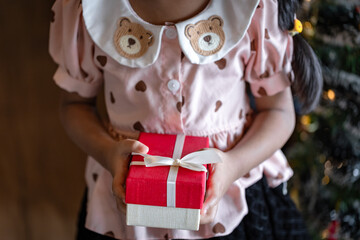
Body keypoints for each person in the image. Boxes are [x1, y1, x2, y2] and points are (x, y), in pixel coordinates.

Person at [49, 0, 322, 239]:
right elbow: (74, 104)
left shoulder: (254, 9)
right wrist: (108, 153)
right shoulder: (90, 10)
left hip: (233, 204)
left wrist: (233, 166)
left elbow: (278, 111)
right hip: (125, 216)